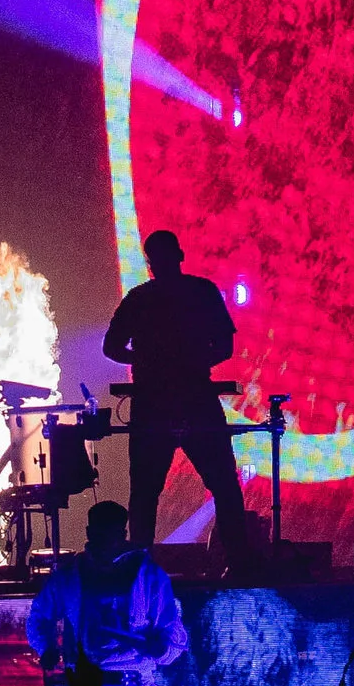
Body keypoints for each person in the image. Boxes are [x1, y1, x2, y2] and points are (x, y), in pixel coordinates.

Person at [103, 230, 254, 565]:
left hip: (152, 404)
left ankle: (139, 571)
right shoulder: (202, 292)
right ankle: (241, 564)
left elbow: (110, 347)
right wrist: (193, 363)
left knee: (144, 494)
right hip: (197, 397)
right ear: (180, 255)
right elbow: (226, 347)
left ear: (149, 263)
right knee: (224, 486)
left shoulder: (139, 298)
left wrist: (145, 362)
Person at [28, 498, 191, 686]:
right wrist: (47, 647)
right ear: (89, 532)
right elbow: (38, 617)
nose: (102, 541)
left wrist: (162, 649)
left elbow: (172, 634)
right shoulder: (68, 577)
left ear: (122, 532)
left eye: (109, 533)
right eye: (97, 534)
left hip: (137, 684)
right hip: (83, 684)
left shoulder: (150, 576)